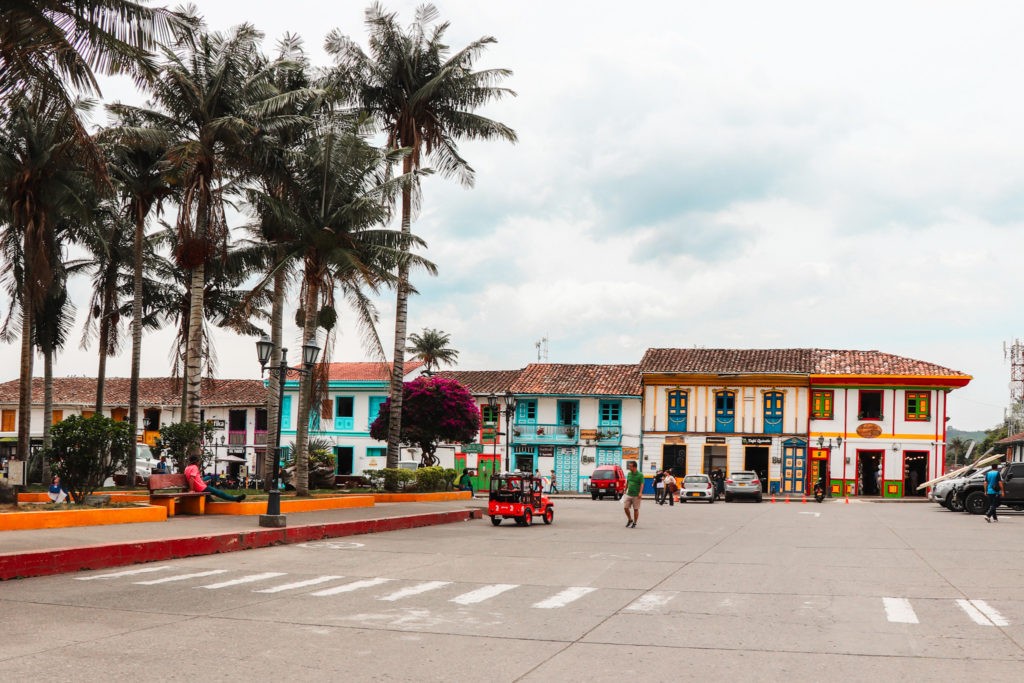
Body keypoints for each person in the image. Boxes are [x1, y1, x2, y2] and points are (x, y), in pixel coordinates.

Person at [623, 460, 644, 528]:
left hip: (636, 495)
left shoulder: (640, 475)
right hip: (629, 494)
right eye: (629, 466)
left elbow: (642, 484)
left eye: (630, 466)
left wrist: (640, 492)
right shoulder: (629, 474)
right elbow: (628, 482)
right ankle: (630, 519)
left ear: (635, 467)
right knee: (625, 508)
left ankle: (634, 522)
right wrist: (625, 490)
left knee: (635, 509)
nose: (629, 467)